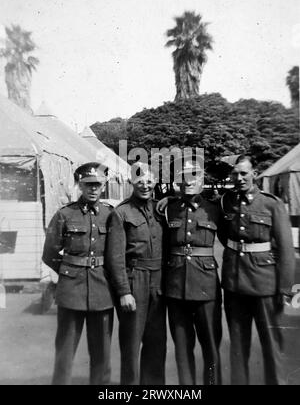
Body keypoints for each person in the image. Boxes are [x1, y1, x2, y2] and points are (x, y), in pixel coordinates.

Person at [217, 154, 295, 385]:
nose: (239, 178)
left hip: (265, 285)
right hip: (234, 284)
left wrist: (285, 287)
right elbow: (224, 234)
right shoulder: (226, 201)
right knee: (238, 346)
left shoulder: (272, 204)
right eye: (235, 174)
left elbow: (286, 249)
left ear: (254, 172)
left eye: (243, 173)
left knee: (272, 343)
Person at [42, 162, 114, 385]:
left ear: (103, 186)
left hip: (102, 290)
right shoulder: (65, 214)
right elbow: (50, 252)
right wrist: (68, 270)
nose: (93, 189)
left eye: (97, 185)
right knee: (65, 350)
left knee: (101, 352)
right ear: (80, 186)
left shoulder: (111, 215)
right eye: (88, 185)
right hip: (71, 290)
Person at [158, 159, 222, 385]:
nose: (188, 180)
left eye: (194, 175)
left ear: (202, 180)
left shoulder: (214, 209)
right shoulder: (169, 208)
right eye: (184, 176)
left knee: (211, 346)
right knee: (182, 348)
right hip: (176, 288)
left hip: (206, 287)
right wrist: (169, 199)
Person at [105, 162, 166, 385]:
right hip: (135, 280)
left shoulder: (161, 209)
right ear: (132, 182)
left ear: (155, 182)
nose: (145, 185)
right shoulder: (121, 213)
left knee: (157, 342)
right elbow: (115, 257)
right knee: (131, 344)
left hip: (158, 281)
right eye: (140, 181)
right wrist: (123, 291)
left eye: (149, 180)